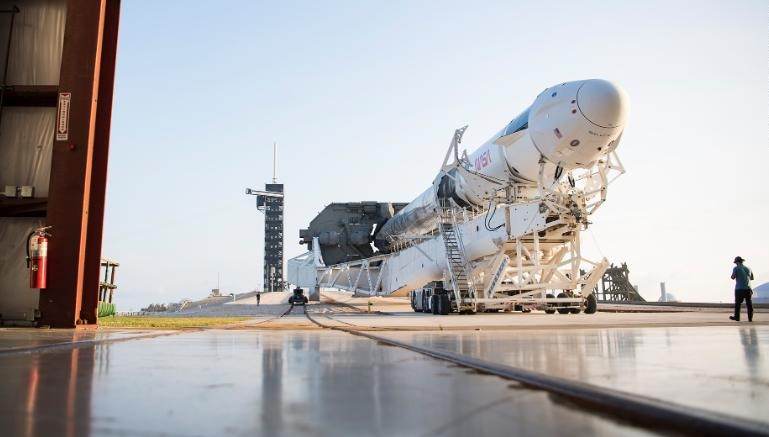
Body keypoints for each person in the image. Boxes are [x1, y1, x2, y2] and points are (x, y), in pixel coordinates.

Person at [730, 256, 754, 322]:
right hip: (748, 289)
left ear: (737, 262)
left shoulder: (736, 268)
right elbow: (752, 278)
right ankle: (750, 318)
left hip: (739, 289)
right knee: (749, 304)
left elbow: (733, 277)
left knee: (738, 303)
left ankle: (737, 317)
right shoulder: (749, 268)